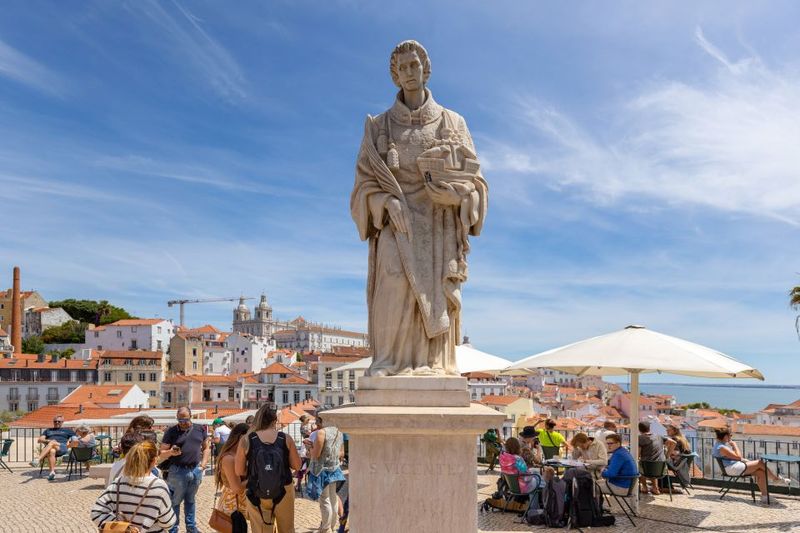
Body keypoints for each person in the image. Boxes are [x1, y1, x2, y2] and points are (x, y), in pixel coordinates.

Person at [352, 40, 488, 377]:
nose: (409, 72)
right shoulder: (379, 127)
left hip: (439, 226)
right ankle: (389, 362)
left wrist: (458, 198)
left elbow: (476, 182)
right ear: (395, 75)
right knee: (394, 284)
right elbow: (362, 187)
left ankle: (434, 364)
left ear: (425, 69)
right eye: (402, 68)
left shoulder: (452, 123)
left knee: (435, 293)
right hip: (395, 224)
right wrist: (384, 202)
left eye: (414, 65)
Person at [235, 403, 301, 533]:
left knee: (261, 530)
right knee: (286, 529)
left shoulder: (247, 440)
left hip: (256, 490)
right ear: (275, 420)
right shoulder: (285, 438)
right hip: (284, 489)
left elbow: (239, 471)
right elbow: (297, 465)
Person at [91, 441, 176, 532]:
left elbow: (96, 513)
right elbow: (168, 523)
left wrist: (123, 526)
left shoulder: (118, 483)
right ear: (154, 460)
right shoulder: (158, 487)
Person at [160, 407, 210, 533]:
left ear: (190, 416)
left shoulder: (200, 429)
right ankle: (173, 529)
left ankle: (191, 527)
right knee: (175, 501)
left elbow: (206, 448)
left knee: (191, 500)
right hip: (177, 471)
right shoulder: (171, 431)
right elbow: (161, 453)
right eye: (180, 420)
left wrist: (203, 464)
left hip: (196, 469)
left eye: (185, 420)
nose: (182, 423)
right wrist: (171, 452)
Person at [712, 427, 789, 504]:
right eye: (730, 435)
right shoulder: (721, 447)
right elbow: (738, 457)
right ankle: (775, 479)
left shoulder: (719, 445)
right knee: (759, 463)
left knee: (761, 473)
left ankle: (765, 496)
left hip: (733, 467)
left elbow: (735, 458)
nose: (731, 437)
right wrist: (735, 445)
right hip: (732, 469)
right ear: (726, 436)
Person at [308, 413, 346, 533]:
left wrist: (310, 446)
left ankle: (326, 528)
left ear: (322, 421)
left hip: (321, 470)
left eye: (317, 422)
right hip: (334, 469)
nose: (316, 424)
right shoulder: (339, 432)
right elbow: (342, 453)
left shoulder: (321, 433)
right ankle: (332, 527)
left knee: (325, 500)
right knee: (333, 499)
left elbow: (316, 455)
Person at [214, 423, 249, 530]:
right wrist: (254, 477)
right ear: (241, 437)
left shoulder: (236, 455)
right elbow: (237, 488)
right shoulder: (229, 458)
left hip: (237, 504)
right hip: (233, 506)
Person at [30, 415, 76, 481]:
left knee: (52, 442)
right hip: (50, 448)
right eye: (55, 421)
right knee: (52, 450)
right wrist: (48, 441)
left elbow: (75, 439)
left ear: (62, 422)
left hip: (62, 447)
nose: (57, 422)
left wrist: (70, 444)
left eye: (59, 421)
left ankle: (38, 460)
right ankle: (52, 472)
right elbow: (39, 440)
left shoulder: (68, 430)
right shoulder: (48, 430)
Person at [638, 421, 673, 495]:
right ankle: (655, 488)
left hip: (647, 469)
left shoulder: (640, 438)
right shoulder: (658, 436)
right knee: (652, 463)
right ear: (649, 428)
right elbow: (674, 442)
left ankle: (644, 487)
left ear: (639, 429)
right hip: (661, 468)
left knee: (638, 464)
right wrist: (667, 455)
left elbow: (637, 455)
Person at [664, 424, 692, 489]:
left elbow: (675, 452)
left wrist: (666, 451)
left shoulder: (675, 439)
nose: (667, 431)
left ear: (674, 431)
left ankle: (665, 485)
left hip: (676, 463)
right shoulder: (682, 438)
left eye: (668, 430)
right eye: (666, 430)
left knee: (660, 464)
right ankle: (665, 485)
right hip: (681, 462)